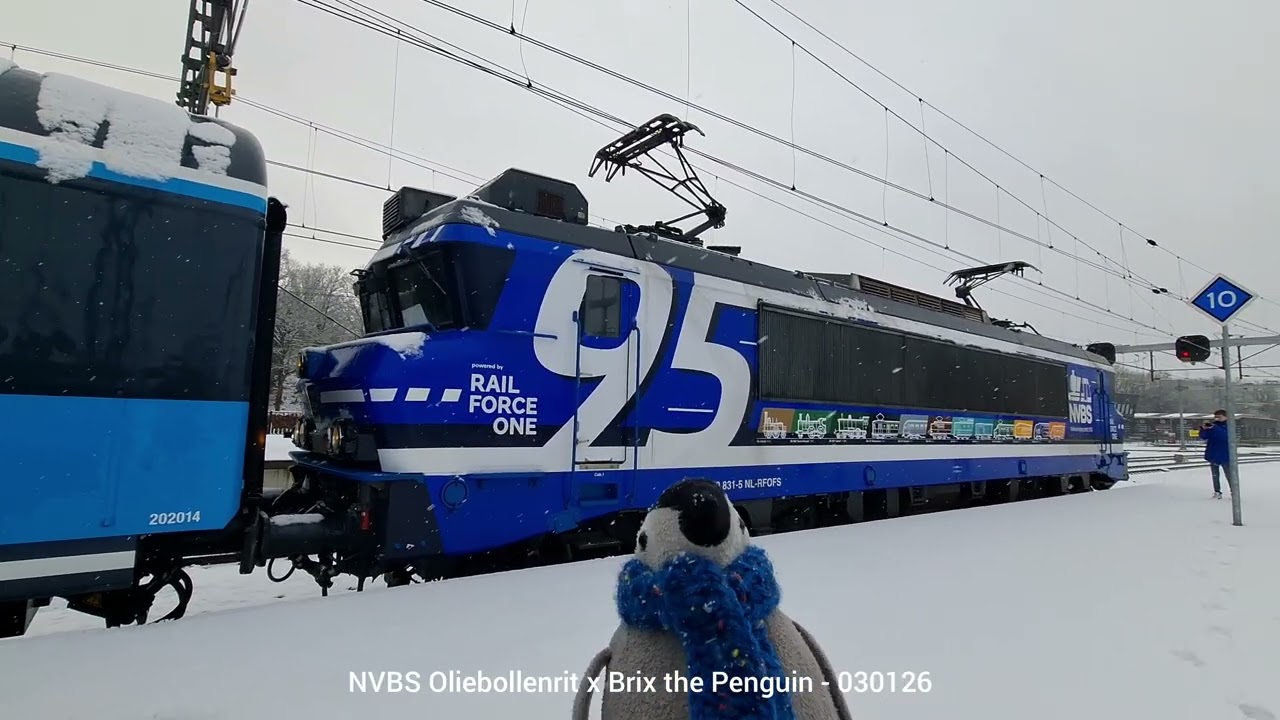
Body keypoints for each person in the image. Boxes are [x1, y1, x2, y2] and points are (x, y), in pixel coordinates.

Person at [1199, 410, 1232, 499]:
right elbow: (1204, 437)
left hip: (1225, 454)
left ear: (1225, 416)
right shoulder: (1213, 426)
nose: (1217, 419)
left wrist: (1214, 428)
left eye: (1219, 417)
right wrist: (1203, 429)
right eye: (1216, 417)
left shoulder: (1229, 425)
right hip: (1213, 454)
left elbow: (1224, 436)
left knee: (1229, 475)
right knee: (1215, 475)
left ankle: (1233, 491)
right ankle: (1217, 491)